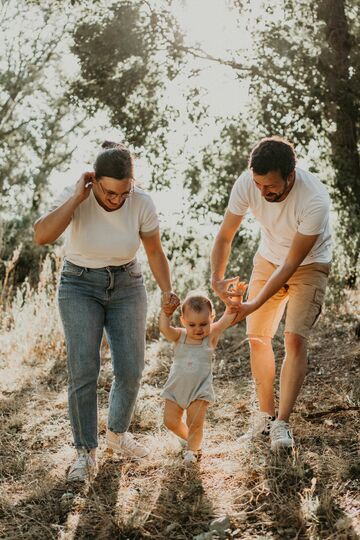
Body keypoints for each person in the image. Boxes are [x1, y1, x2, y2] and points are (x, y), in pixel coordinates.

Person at [34, 141, 179, 481]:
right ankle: (85, 452)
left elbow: (155, 251)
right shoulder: (77, 196)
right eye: (110, 193)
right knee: (84, 368)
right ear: (94, 180)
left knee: (131, 367)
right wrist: (75, 200)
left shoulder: (141, 202)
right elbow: (41, 235)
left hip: (127, 283)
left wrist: (167, 289)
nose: (116, 200)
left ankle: (117, 434)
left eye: (123, 193)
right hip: (79, 284)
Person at [211, 136, 332, 451]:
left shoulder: (315, 199)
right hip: (268, 259)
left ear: (290, 176)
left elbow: (293, 263)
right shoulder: (248, 183)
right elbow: (226, 235)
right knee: (257, 337)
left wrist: (252, 303)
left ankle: (282, 423)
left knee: (293, 338)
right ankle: (265, 416)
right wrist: (216, 278)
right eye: (258, 185)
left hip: (309, 264)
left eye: (271, 187)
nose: (263, 193)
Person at [159, 288, 246, 464]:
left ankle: (193, 450)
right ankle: (191, 440)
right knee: (170, 421)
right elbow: (164, 328)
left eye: (203, 324)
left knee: (195, 423)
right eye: (192, 325)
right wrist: (166, 313)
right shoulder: (180, 336)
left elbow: (228, 317)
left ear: (211, 318)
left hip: (199, 390)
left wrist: (236, 298)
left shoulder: (210, 336)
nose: (198, 329)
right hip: (176, 388)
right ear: (183, 321)